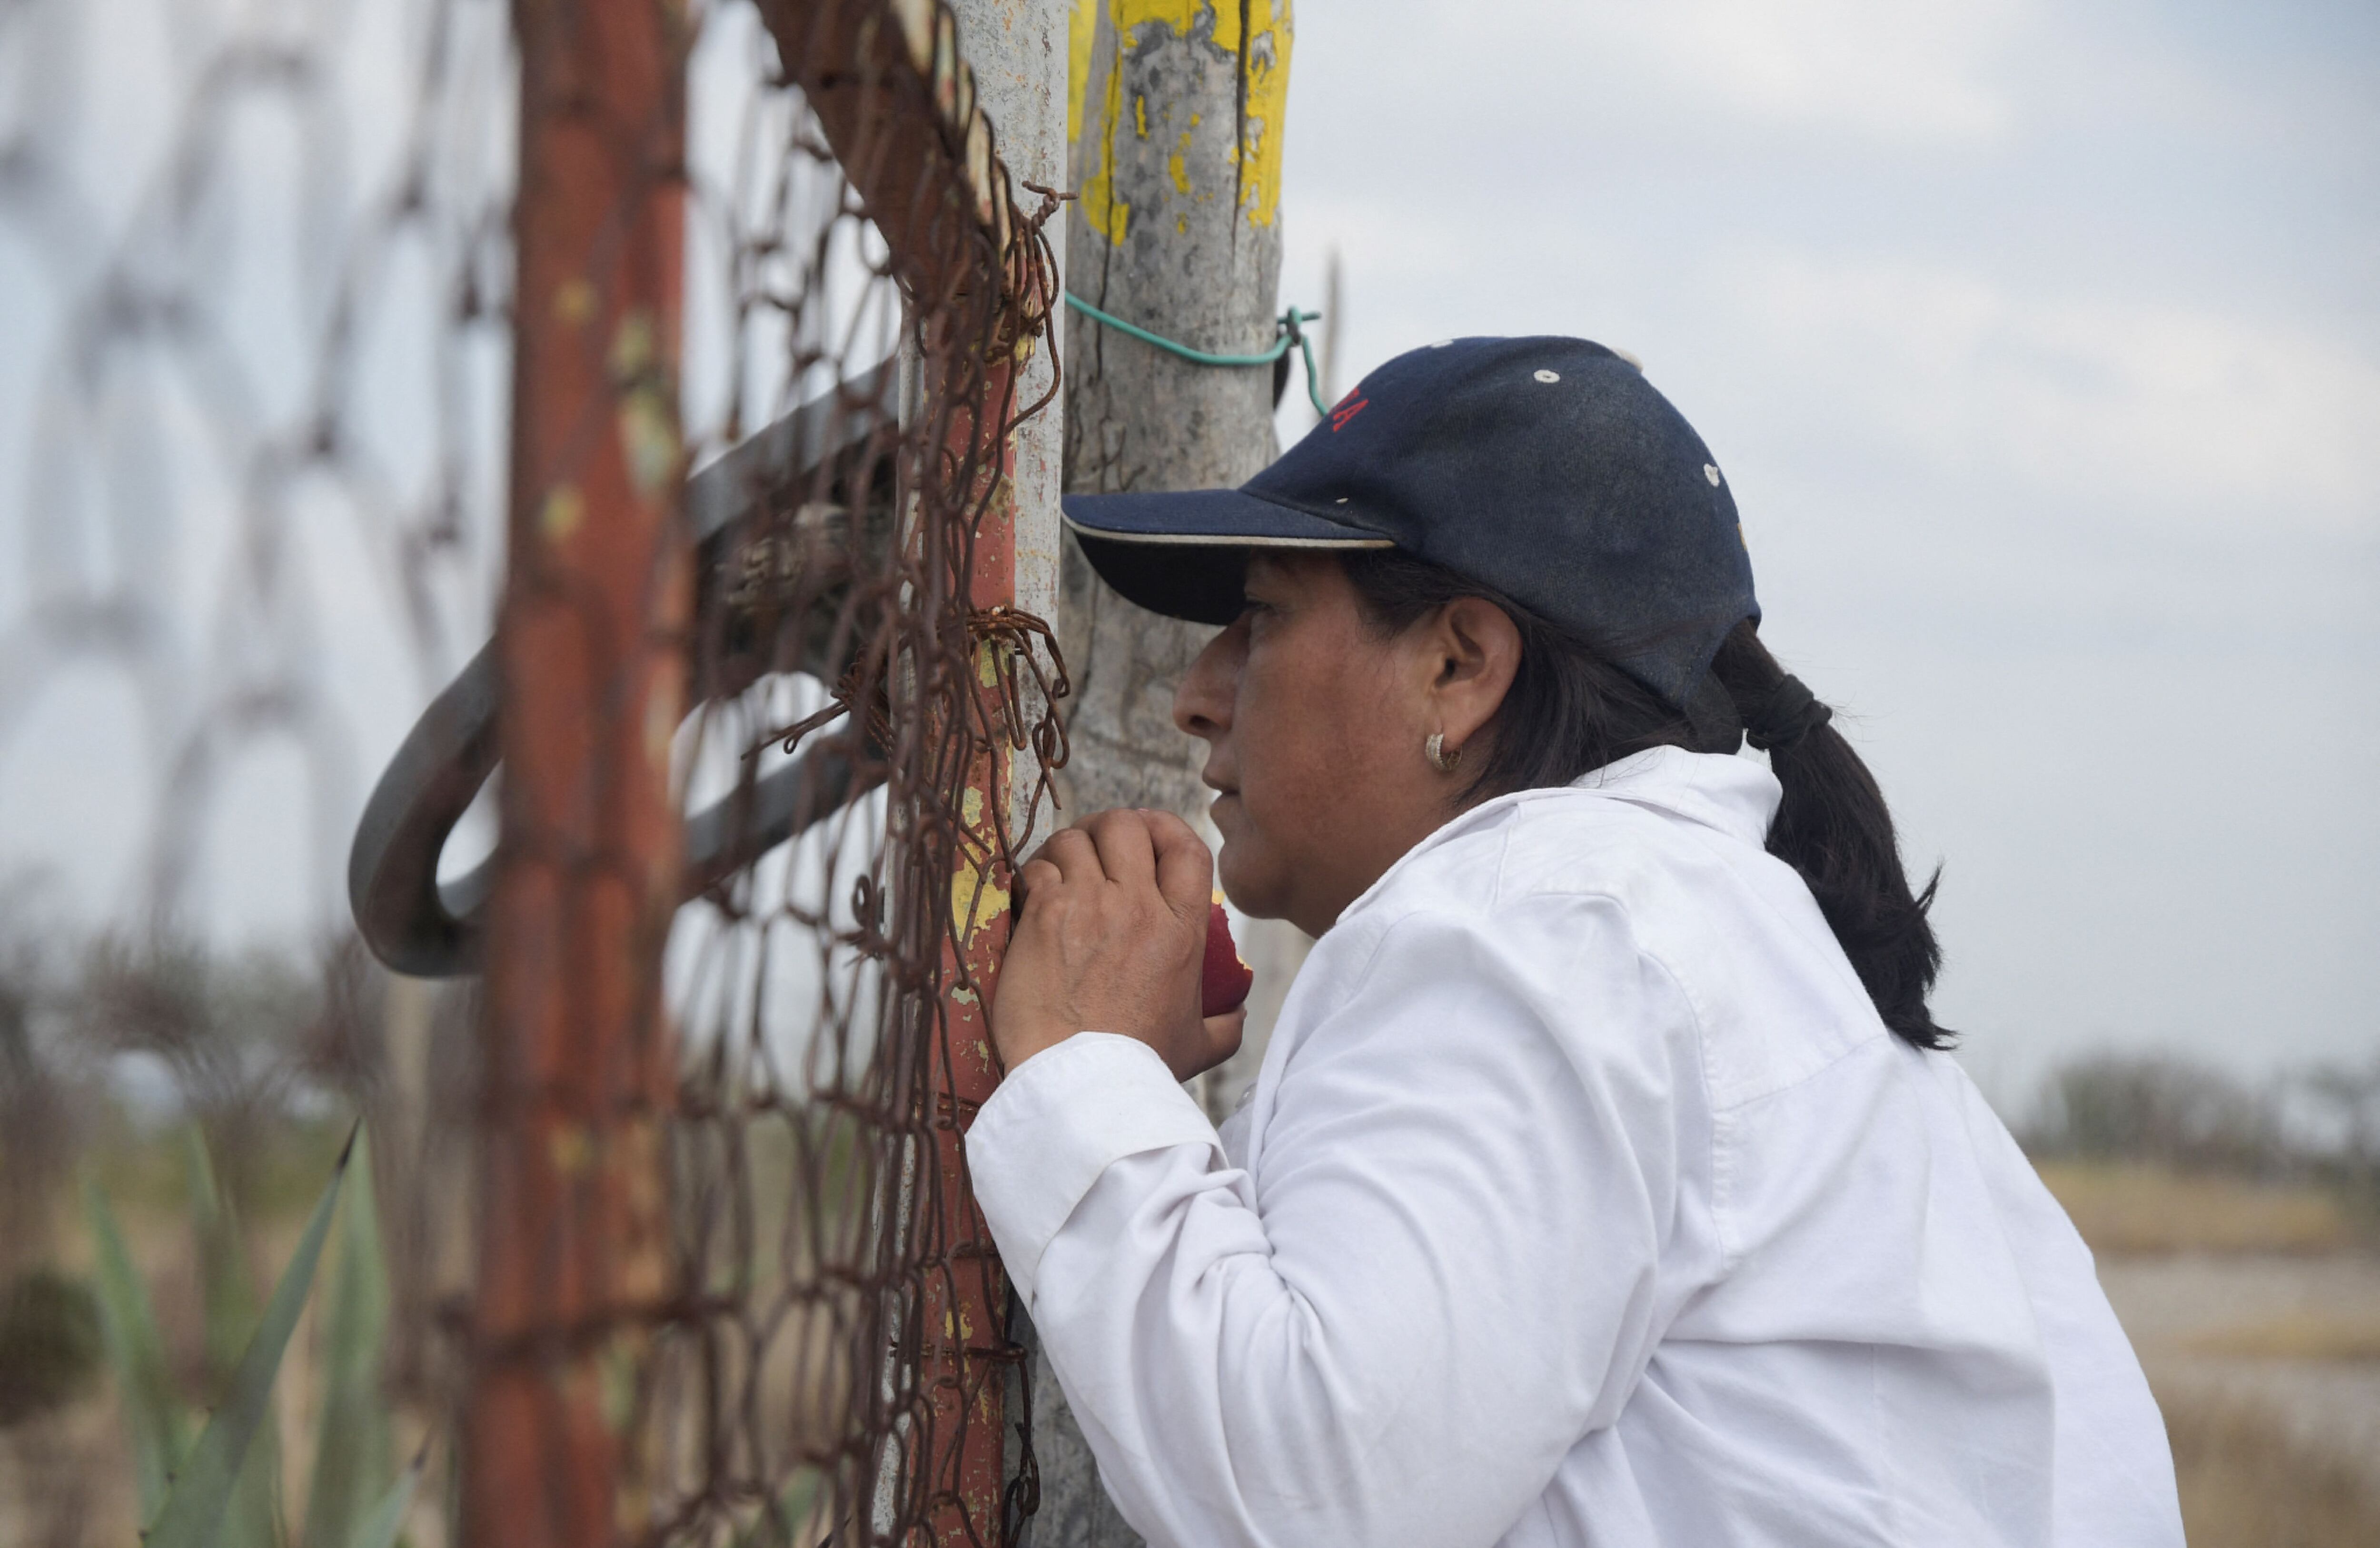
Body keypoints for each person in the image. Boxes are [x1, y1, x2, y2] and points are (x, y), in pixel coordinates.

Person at [968, 336, 2182, 1547]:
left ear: (1460, 666)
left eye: (1262, 618)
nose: (1197, 688)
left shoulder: (1535, 922)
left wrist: (1090, 1067)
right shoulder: (1668, 920)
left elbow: (1312, 1491)